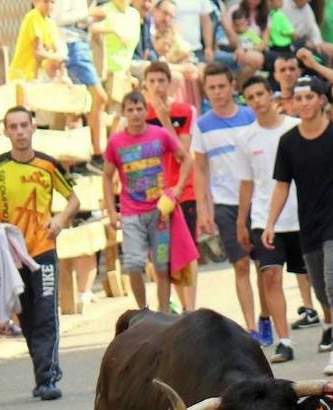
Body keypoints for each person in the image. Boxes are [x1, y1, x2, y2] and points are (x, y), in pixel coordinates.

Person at [264, 75, 333, 375]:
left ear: (321, 100)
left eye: (309, 97)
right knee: (324, 292)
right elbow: (282, 186)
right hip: (307, 226)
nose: (304, 103)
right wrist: (270, 223)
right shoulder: (288, 142)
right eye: (298, 99)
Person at [0, 107, 80, 401]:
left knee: (46, 314)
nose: (19, 132)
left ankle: (48, 378)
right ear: (6, 132)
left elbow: (73, 199)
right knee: (27, 316)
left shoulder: (48, 165)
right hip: (12, 256)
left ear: (33, 128)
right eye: (13, 127)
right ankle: (40, 372)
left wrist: (59, 220)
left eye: (24, 126)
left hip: (43, 250)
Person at [192, 63, 265, 339]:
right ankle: (252, 327)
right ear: (205, 90)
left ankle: (266, 318)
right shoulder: (202, 126)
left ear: (233, 86)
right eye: (211, 88)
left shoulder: (250, 116)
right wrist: (203, 210)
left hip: (258, 199)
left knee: (264, 266)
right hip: (225, 203)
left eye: (222, 86)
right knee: (241, 264)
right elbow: (200, 169)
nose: (218, 92)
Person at [103, 91, 193, 313]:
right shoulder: (116, 142)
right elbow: (106, 175)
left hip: (159, 213)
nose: (135, 114)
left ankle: (163, 311)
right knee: (134, 265)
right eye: (130, 110)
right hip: (131, 213)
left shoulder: (160, 135)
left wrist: (178, 188)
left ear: (145, 110)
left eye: (139, 109)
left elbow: (185, 158)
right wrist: (111, 211)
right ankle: (143, 310)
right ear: (124, 112)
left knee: (162, 267)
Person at [235, 75, 303, 364]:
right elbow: (247, 183)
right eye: (250, 97)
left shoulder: (295, 128)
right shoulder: (245, 138)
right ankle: (284, 339)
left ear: (271, 95)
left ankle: (328, 327)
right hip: (264, 217)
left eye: (260, 94)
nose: (257, 101)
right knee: (270, 275)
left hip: (300, 214)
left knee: (311, 276)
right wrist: (242, 221)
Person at [142, 60, 207, 312]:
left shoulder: (184, 111)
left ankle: (190, 308)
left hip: (182, 191)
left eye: (162, 81)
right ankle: (172, 304)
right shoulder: (139, 114)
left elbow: (182, 151)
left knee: (186, 252)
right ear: (144, 85)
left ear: (170, 84)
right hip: (153, 196)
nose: (157, 86)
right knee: (161, 254)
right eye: (152, 82)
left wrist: (164, 119)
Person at [53, 0, 110, 170]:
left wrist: (91, 19)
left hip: (82, 45)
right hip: (71, 46)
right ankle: (96, 154)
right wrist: (89, 13)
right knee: (98, 98)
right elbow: (56, 18)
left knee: (81, 106)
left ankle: (82, 159)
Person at [10, 0, 66, 82]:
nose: (49, 5)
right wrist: (58, 57)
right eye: (46, 2)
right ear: (34, 1)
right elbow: (38, 54)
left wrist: (63, 75)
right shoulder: (33, 16)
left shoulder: (51, 24)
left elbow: (56, 52)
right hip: (22, 77)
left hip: (37, 77)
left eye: (52, 2)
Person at [93, 0, 143, 83]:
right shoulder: (104, 10)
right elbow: (92, 29)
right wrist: (113, 31)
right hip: (105, 71)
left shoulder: (134, 14)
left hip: (124, 71)